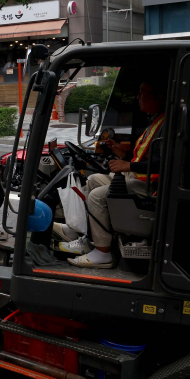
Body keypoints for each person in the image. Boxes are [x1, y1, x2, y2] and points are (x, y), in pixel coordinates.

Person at [58, 82, 166, 269]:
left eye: (142, 93)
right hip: (138, 176)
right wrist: (121, 153)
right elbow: (145, 156)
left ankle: (103, 253)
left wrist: (129, 165)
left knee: (96, 196)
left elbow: (165, 163)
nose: (138, 98)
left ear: (158, 97)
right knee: (92, 180)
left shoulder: (166, 125)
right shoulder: (155, 121)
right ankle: (89, 238)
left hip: (150, 185)